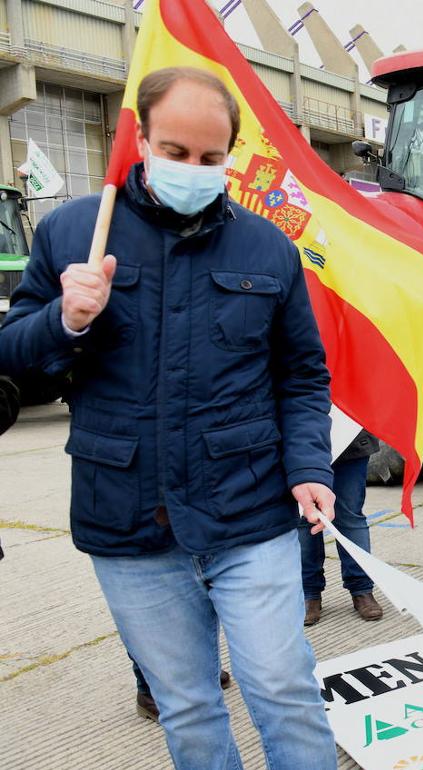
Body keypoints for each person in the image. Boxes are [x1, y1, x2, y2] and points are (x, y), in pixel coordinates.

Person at [0, 67, 338, 768]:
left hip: (249, 511)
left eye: (211, 158)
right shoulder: (72, 231)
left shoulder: (266, 244)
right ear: (141, 141)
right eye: (176, 152)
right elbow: (13, 352)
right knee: (184, 703)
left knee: (283, 688)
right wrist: (65, 319)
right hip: (127, 517)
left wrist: (309, 466)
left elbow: (303, 374)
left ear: (230, 156)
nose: (194, 169)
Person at [301, 429, 384, 626]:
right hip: (301, 444)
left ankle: (362, 589)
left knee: (350, 517)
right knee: (304, 518)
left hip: (350, 438)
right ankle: (308, 592)